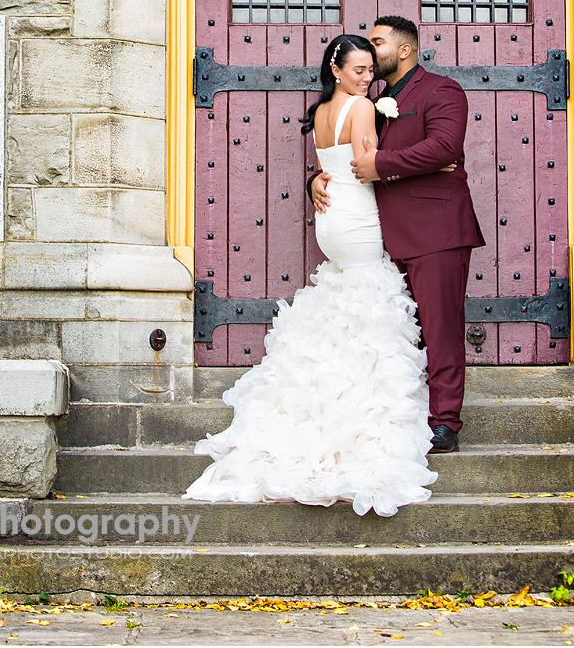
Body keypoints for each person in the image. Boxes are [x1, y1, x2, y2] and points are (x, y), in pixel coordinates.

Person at [181, 35, 438, 517]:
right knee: (368, 300)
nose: (368, 78)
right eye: (359, 70)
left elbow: (332, 165)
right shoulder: (362, 109)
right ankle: (362, 405)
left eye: (370, 71)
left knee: (346, 296)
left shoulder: (321, 111)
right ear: (337, 70)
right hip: (357, 216)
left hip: (331, 218)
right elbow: (367, 167)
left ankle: (328, 389)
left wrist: (315, 179)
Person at [313, 16, 486, 455]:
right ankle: (403, 415)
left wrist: (383, 165)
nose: (371, 54)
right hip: (383, 236)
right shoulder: (373, 100)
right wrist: (318, 175)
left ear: (404, 50)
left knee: (440, 329)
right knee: (401, 333)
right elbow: (351, 157)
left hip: (436, 231)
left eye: (378, 43)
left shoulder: (441, 90)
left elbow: (445, 146)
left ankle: (445, 423)